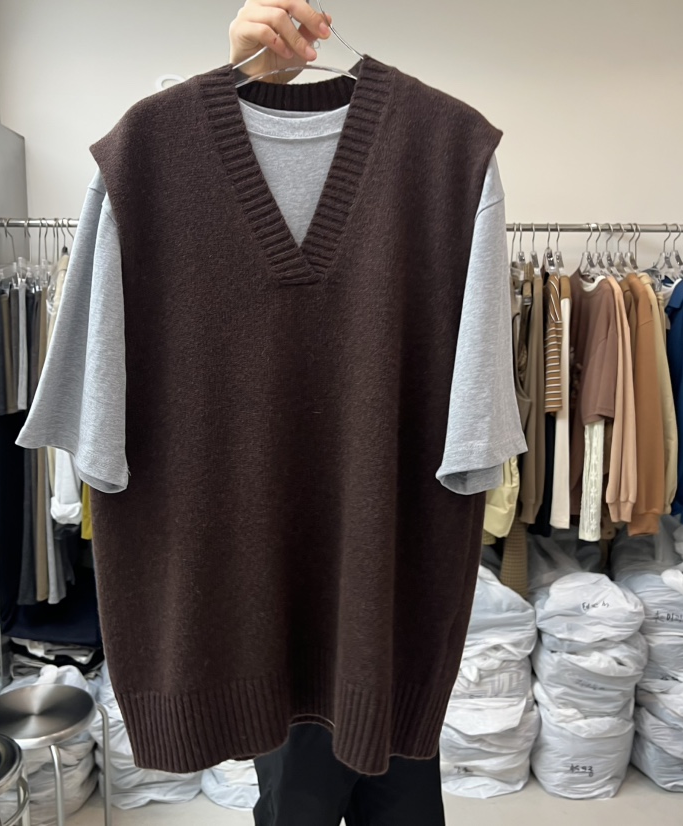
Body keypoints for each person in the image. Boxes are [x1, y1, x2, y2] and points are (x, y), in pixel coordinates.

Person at [229, 3, 449, 824]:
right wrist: (241, 77)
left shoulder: (449, 154)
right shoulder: (151, 158)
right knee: (299, 794)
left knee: (398, 786)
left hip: (394, 605)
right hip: (271, 613)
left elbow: (476, 440)